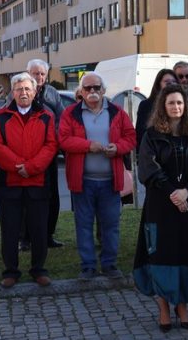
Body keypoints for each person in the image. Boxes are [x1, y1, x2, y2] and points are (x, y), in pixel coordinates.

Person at [133, 84, 188, 331]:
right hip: (160, 205)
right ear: (162, 107)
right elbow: (148, 168)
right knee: (162, 254)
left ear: (185, 106)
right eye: (171, 103)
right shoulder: (152, 135)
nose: (176, 107)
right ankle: (164, 306)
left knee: (186, 252)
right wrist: (172, 193)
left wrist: (186, 191)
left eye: (179, 103)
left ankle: (182, 305)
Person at [58, 71, 136, 280]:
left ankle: (110, 264)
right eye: (87, 88)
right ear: (81, 92)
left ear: (103, 90)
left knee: (111, 225)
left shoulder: (117, 112)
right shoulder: (70, 113)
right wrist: (88, 146)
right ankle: (88, 266)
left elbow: (131, 137)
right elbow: (63, 140)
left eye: (96, 87)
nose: (92, 91)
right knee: (83, 225)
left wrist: (118, 148)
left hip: (111, 181)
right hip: (82, 181)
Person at [0, 72, 59, 288]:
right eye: (19, 89)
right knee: (9, 230)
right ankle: (11, 271)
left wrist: (32, 167)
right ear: (13, 92)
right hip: (10, 183)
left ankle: (39, 269)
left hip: (37, 182)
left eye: (27, 88)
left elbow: (51, 146)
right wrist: (18, 165)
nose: (23, 93)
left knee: (39, 230)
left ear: (35, 91)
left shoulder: (46, 116)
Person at [27, 59, 69, 248]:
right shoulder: (19, 90)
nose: (40, 77)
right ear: (29, 74)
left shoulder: (52, 93)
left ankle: (48, 234)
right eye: (36, 73)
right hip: (27, 153)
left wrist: (53, 140)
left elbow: (62, 119)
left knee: (52, 195)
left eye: (43, 73)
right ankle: (25, 238)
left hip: (50, 152)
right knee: (27, 197)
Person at [135, 68, 177, 145]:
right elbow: (141, 132)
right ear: (159, 84)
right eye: (167, 82)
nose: (171, 84)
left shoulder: (181, 105)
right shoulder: (146, 105)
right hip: (154, 149)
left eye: (174, 82)